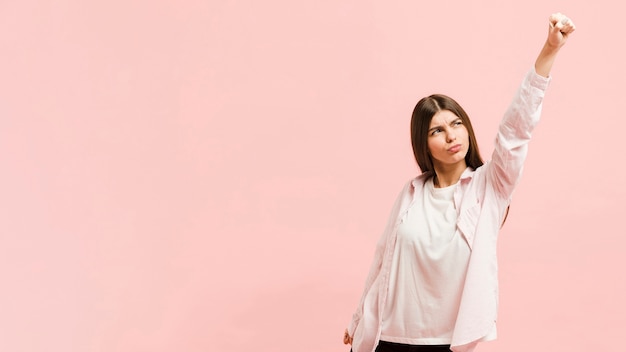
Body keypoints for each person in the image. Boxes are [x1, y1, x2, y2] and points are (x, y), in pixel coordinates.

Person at [343, 13, 576, 352]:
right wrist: (357, 318)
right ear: (424, 143)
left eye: (456, 124)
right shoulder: (412, 193)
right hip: (386, 337)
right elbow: (382, 260)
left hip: (445, 342)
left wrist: (549, 51)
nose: (452, 136)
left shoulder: (490, 186)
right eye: (438, 130)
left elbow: (516, 131)